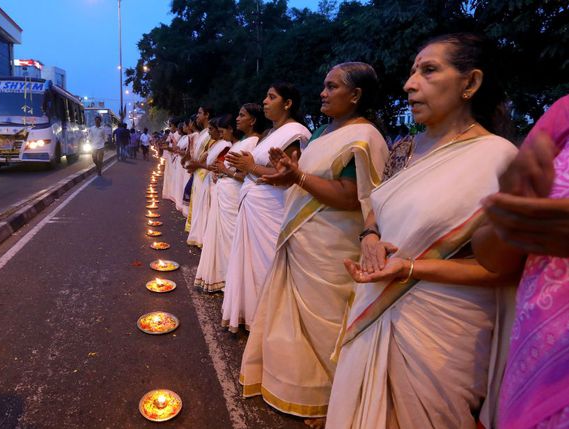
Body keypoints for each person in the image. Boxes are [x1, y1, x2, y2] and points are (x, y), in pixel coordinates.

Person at [326, 33, 519, 429]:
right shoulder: (404, 150)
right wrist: (371, 239)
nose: (410, 83)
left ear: (471, 83)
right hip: (376, 301)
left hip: (443, 334)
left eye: (428, 70)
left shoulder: (499, 158)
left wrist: (409, 269)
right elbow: (375, 212)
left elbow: (503, 270)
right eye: (413, 72)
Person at [238, 63, 389, 424]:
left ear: (355, 96)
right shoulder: (322, 131)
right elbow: (299, 177)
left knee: (328, 326)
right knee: (293, 327)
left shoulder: (365, 137)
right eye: (323, 85)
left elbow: (351, 196)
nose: (323, 92)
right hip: (302, 239)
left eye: (331, 86)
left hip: (331, 247)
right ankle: (298, 390)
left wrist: (299, 176)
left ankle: (337, 402)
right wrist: (286, 172)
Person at [470, 94, 569, 429]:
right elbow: (492, 256)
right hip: (539, 364)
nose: (410, 85)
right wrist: (512, 215)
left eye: (428, 70)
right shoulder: (563, 115)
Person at [221, 82, 311, 332]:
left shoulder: (296, 132)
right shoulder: (272, 133)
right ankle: (248, 314)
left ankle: (266, 322)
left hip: (272, 207)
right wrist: (247, 167)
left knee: (266, 265)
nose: (265, 101)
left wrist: (251, 167)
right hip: (254, 204)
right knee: (248, 263)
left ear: (288, 103)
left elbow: (287, 174)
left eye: (271, 97)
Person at [194, 105, 267, 293]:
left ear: (253, 120)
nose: (237, 119)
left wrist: (225, 172)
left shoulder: (253, 143)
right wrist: (222, 173)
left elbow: (246, 175)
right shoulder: (242, 142)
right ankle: (221, 277)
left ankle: (230, 282)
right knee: (222, 238)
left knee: (231, 239)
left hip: (234, 196)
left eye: (242, 115)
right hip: (225, 193)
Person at [185, 106, 213, 241]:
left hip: (203, 171)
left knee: (202, 204)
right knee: (196, 202)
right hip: (197, 170)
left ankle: (201, 236)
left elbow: (209, 153)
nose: (197, 116)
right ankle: (197, 232)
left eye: (200, 113)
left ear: (207, 115)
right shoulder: (203, 133)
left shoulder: (210, 133)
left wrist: (195, 165)